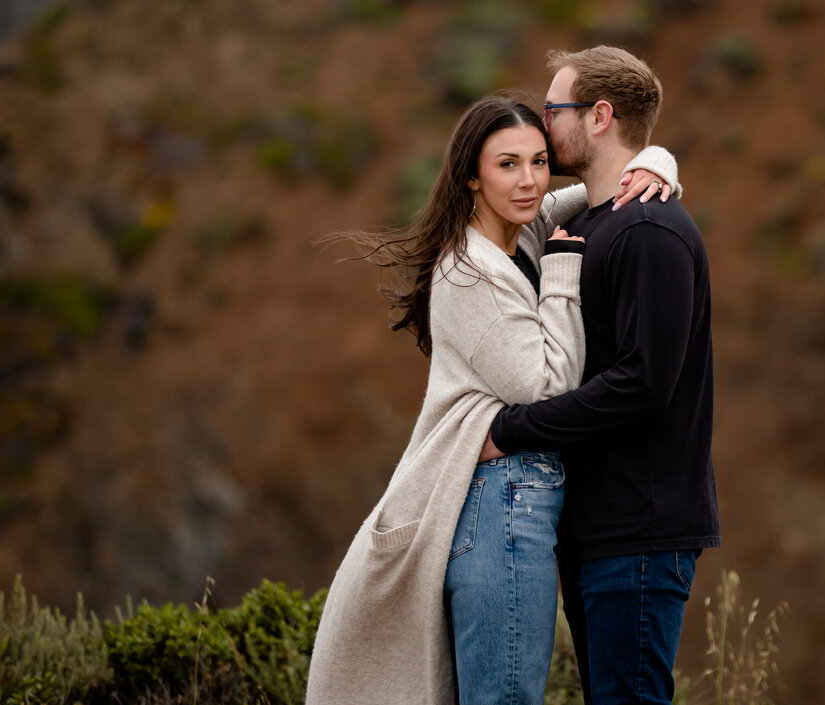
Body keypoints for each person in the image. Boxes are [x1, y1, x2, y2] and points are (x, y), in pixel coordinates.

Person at [305, 94, 681, 705]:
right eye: (508, 164)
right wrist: (562, 276)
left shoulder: (520, 228)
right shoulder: (469, 271)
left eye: (538, 161)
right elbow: (547, 387)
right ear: (471, 176)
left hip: (520, 498)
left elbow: (603, 186)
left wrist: (657, 163)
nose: (530, 180)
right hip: (504, 502)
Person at [483, 47, 720, 705]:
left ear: (600, 116)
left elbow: (645, 381)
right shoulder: (590, 219)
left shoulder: (649, 228)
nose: (541, 125)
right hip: (597, 524)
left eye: (553, 109)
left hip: (640, 524)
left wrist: (511, 430)